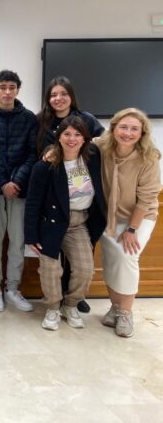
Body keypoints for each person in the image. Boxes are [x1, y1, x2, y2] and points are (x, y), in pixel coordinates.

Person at [24, 116, 106, 331]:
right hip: (50, 223)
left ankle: (70, 305)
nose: (72, 139)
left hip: (79, 223)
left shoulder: (93, 157)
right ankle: (52, 308)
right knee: (51, 269)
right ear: (58, 137)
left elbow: (109, 140)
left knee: (85, 269)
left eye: (78, 134)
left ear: (85, 138)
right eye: (67, 134)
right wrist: (31, 235)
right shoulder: (45, 166)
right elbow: (32, 203)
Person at [36, 76, 104, 314]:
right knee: (52, 260)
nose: (59, 98)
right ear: (48, 99)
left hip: (81, 202)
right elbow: (34, 151)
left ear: (72, 96)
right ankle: (55, 301)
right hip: (52, 196)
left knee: (81, 260)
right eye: (54, 94)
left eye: (64, 94)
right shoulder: (41, 121)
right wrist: (49, 153)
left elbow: (102, 142)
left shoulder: (87, 119)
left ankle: (73, 299)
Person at [95, 109, 160, 338]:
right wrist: (52, 151)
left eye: (134, 129)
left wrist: (132, 229)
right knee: (111, 260)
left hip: (140, 217)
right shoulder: (102, 147)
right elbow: (75, 143)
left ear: (142, 133)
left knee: (126, 256)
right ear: (114, 128)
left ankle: (125, 312)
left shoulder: (149, 157)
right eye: (123, 127)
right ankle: (115, 307)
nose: (128, 133)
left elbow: (147, 197)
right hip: (110, 215)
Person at [0, 70, 37, 313]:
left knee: (18, 241)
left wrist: (16, 181)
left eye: (12, 87)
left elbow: (33, 154)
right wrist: (2, 183)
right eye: (3, 87)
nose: (7, 92)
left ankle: (12, 288)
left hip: (20, 192)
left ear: (18, 90)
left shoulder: (29, 118)